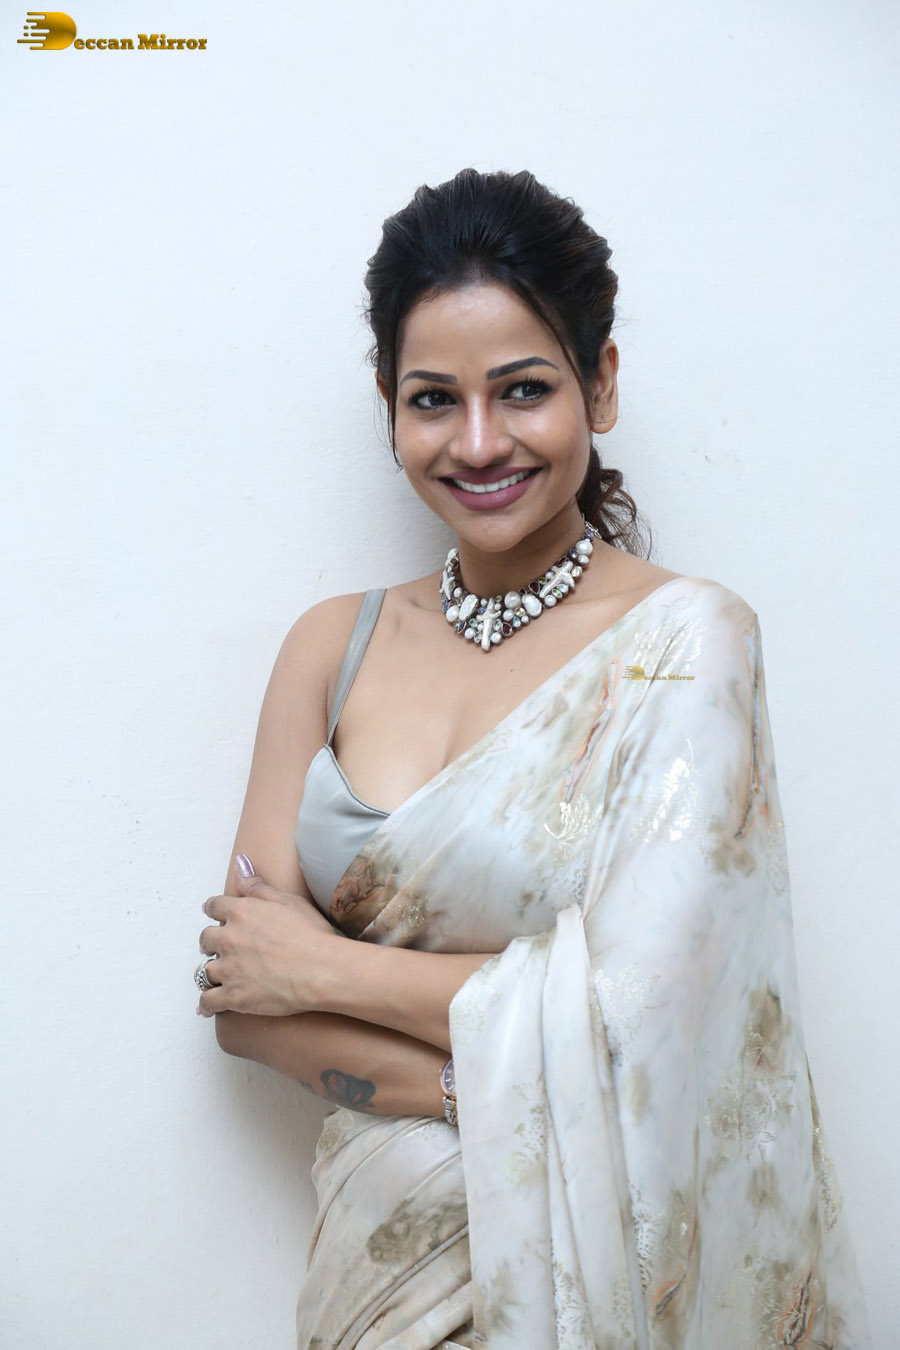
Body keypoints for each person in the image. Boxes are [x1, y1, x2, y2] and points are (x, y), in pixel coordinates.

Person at [195, 168, 871, 1349]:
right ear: (389, 405)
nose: (478, 442)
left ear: (599, 384)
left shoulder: (685, 647)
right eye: (432, 399)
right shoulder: (330, 650)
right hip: (372, 1281)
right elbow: (247, 999)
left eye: (523, 390)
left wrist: (329, 971)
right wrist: (505, 1085)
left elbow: (645, 1024)